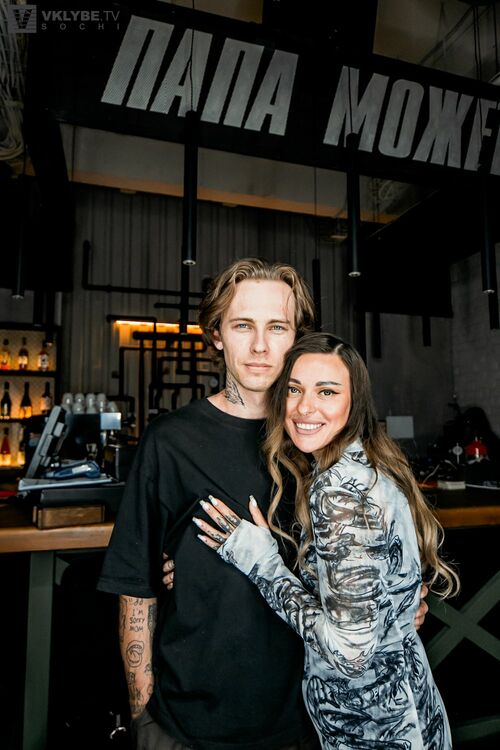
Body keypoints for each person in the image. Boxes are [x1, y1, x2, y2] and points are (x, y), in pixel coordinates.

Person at [98, 259, 428, 750]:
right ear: (216, 334)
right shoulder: (170, 441)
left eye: (277, 327)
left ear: (297, 338)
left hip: (310, 721)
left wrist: (398, 600)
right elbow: (135, 585)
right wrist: (143, 714)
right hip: (190, 722)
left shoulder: (321, 438)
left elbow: (381, 561)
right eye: (242, 326)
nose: (259, 346)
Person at [194, 332, 458, 749]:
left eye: (327, 391)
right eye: (294, 389)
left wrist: (262, 563)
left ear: (354, 404)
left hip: (376, 732)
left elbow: (349, 654)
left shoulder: (338, 493)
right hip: (412, 713)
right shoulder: (368, 466)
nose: (304, 407)